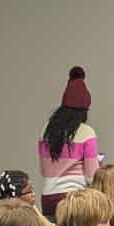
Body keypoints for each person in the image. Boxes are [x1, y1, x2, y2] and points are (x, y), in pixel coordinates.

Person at [38, 67, 98, 216]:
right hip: (74, 199)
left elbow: (44, 170)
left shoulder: (46, 131)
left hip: (48, 197)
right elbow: (92, 176)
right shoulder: (87, 132)